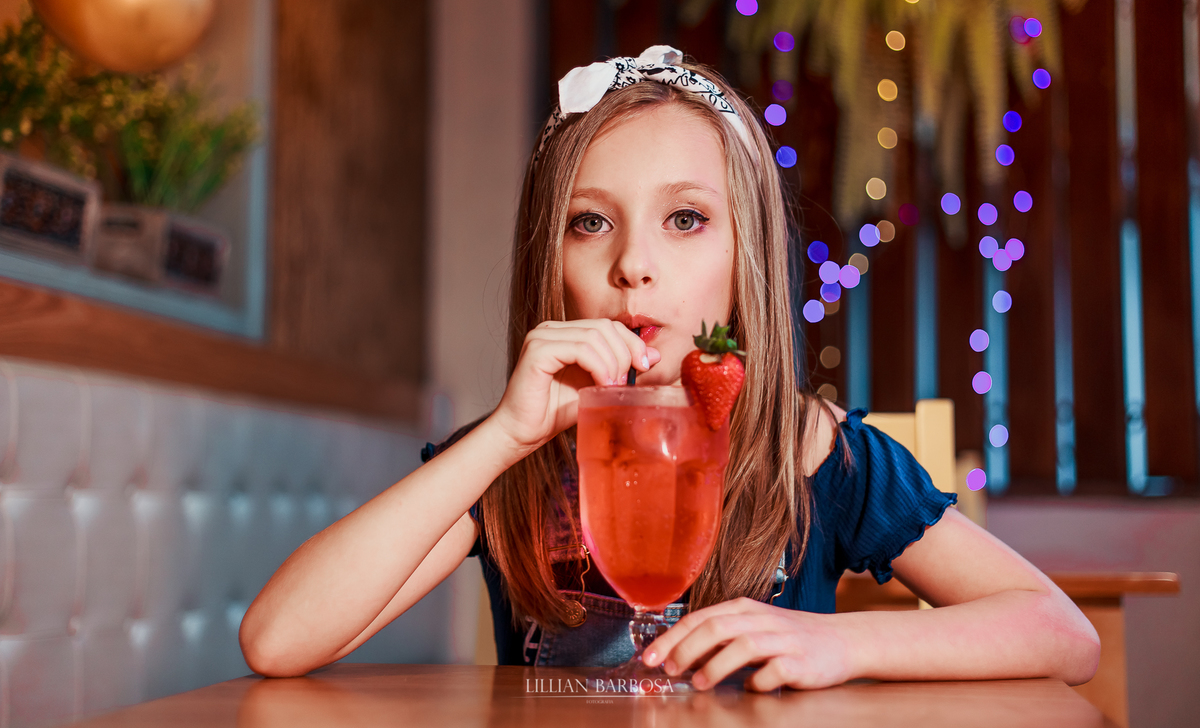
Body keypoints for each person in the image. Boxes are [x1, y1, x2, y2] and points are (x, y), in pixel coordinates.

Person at [239, 46, 1100, 690]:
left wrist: (842, 646)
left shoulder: (807, 449)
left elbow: (1061, 632)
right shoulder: (520, 454)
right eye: (589, 223)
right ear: (554, 263)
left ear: (743, 255)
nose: (633, 265)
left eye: (684, 219)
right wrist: (502, 436)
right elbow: (277, 641)